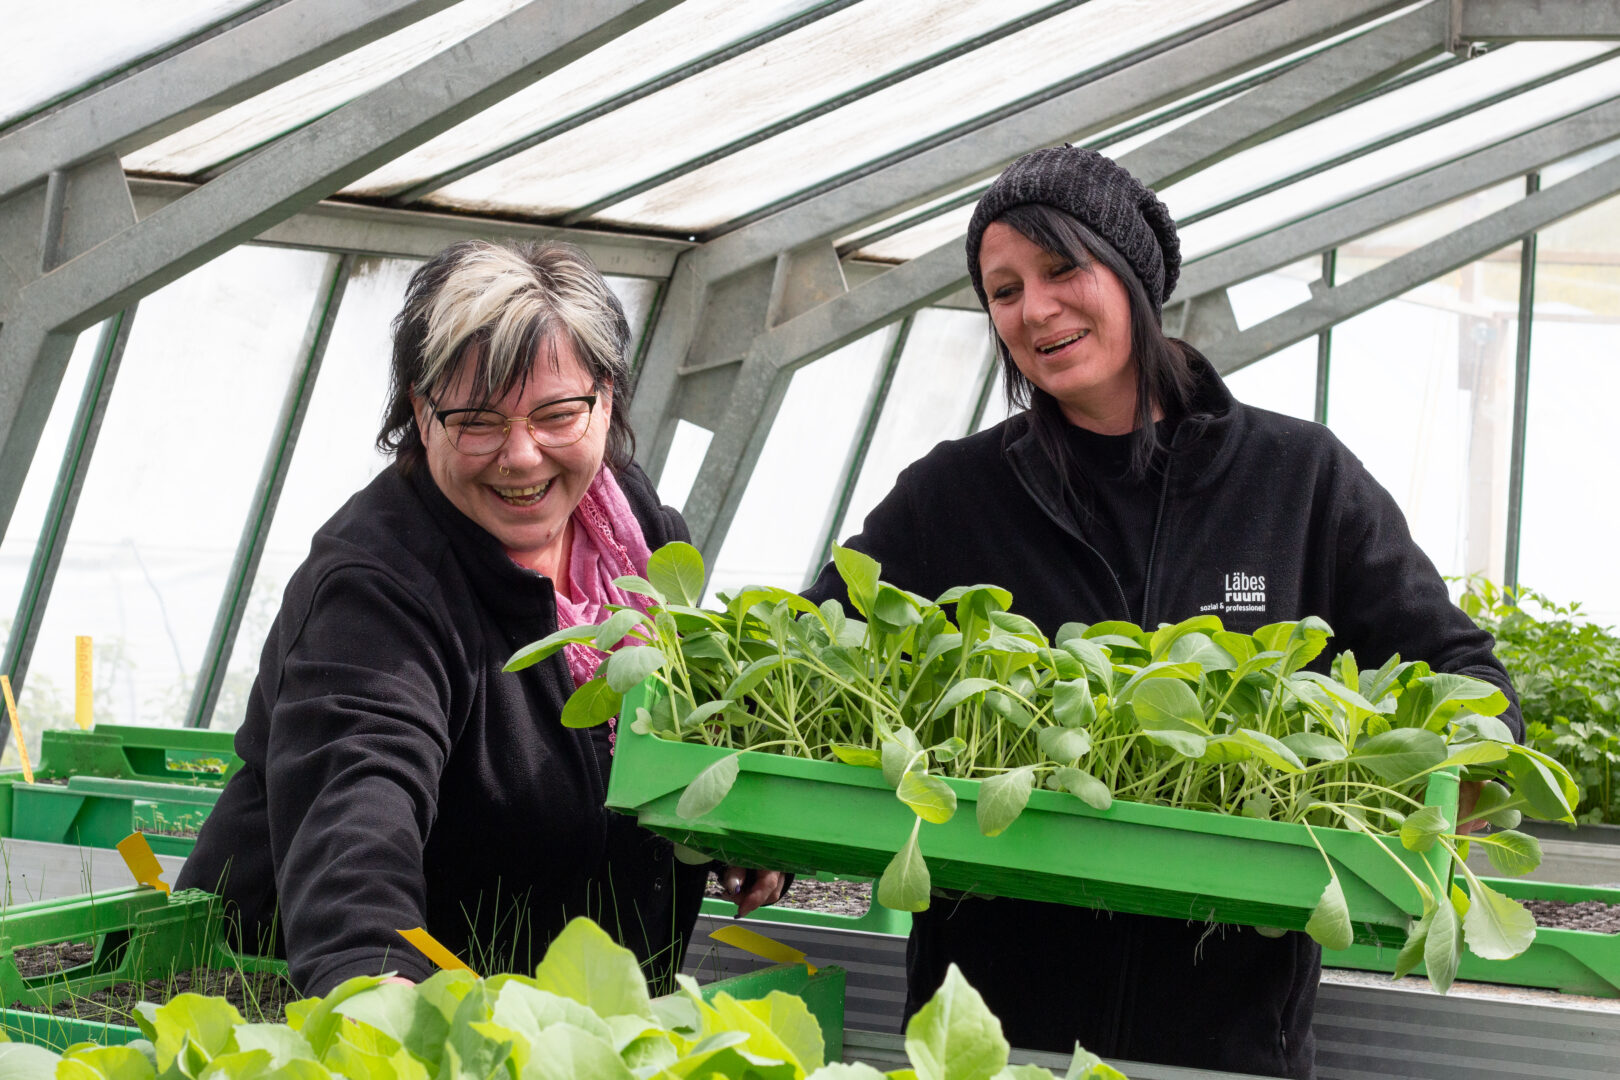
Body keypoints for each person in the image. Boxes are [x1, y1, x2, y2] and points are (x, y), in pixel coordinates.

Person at [803, 146, 1521, 1079]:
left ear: (1133, 274)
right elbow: (817, 644)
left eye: (1064, 269)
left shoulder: (1298, 479)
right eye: (1004, 290)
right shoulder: (955, 493)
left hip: (1227, 1037)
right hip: (990, 1033)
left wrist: (1430, 792)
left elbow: (1469, 681)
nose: (1035, 309)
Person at [179, 239, 781, 995]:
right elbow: (356, 816)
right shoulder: (374, 590)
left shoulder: (639, 539)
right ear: (419, 415)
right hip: (333, 1013)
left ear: (607, 399)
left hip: (577, 1026)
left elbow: (681, 745)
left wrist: (740, 822)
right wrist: (377, 992)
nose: (522, 455)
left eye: (558, 413)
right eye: (476, 420)